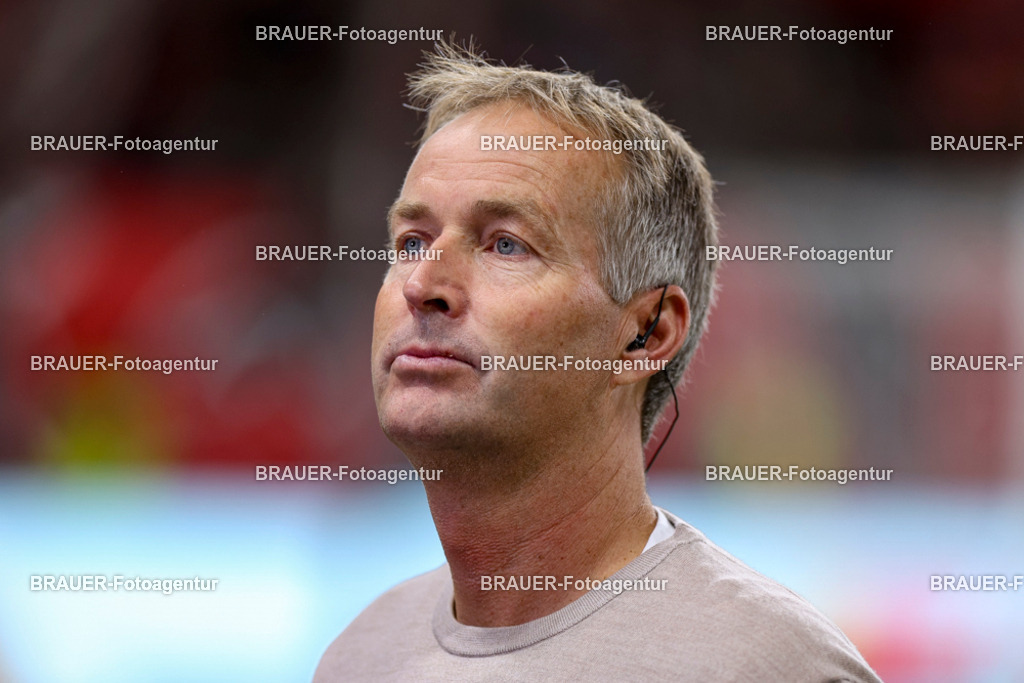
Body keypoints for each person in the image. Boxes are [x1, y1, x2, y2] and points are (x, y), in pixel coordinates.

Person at [315, 42, 881, 682]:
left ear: (646, 333)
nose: (424, 283)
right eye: (411, 241)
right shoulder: (360, 655)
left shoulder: (771, 667)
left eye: (506, 244)